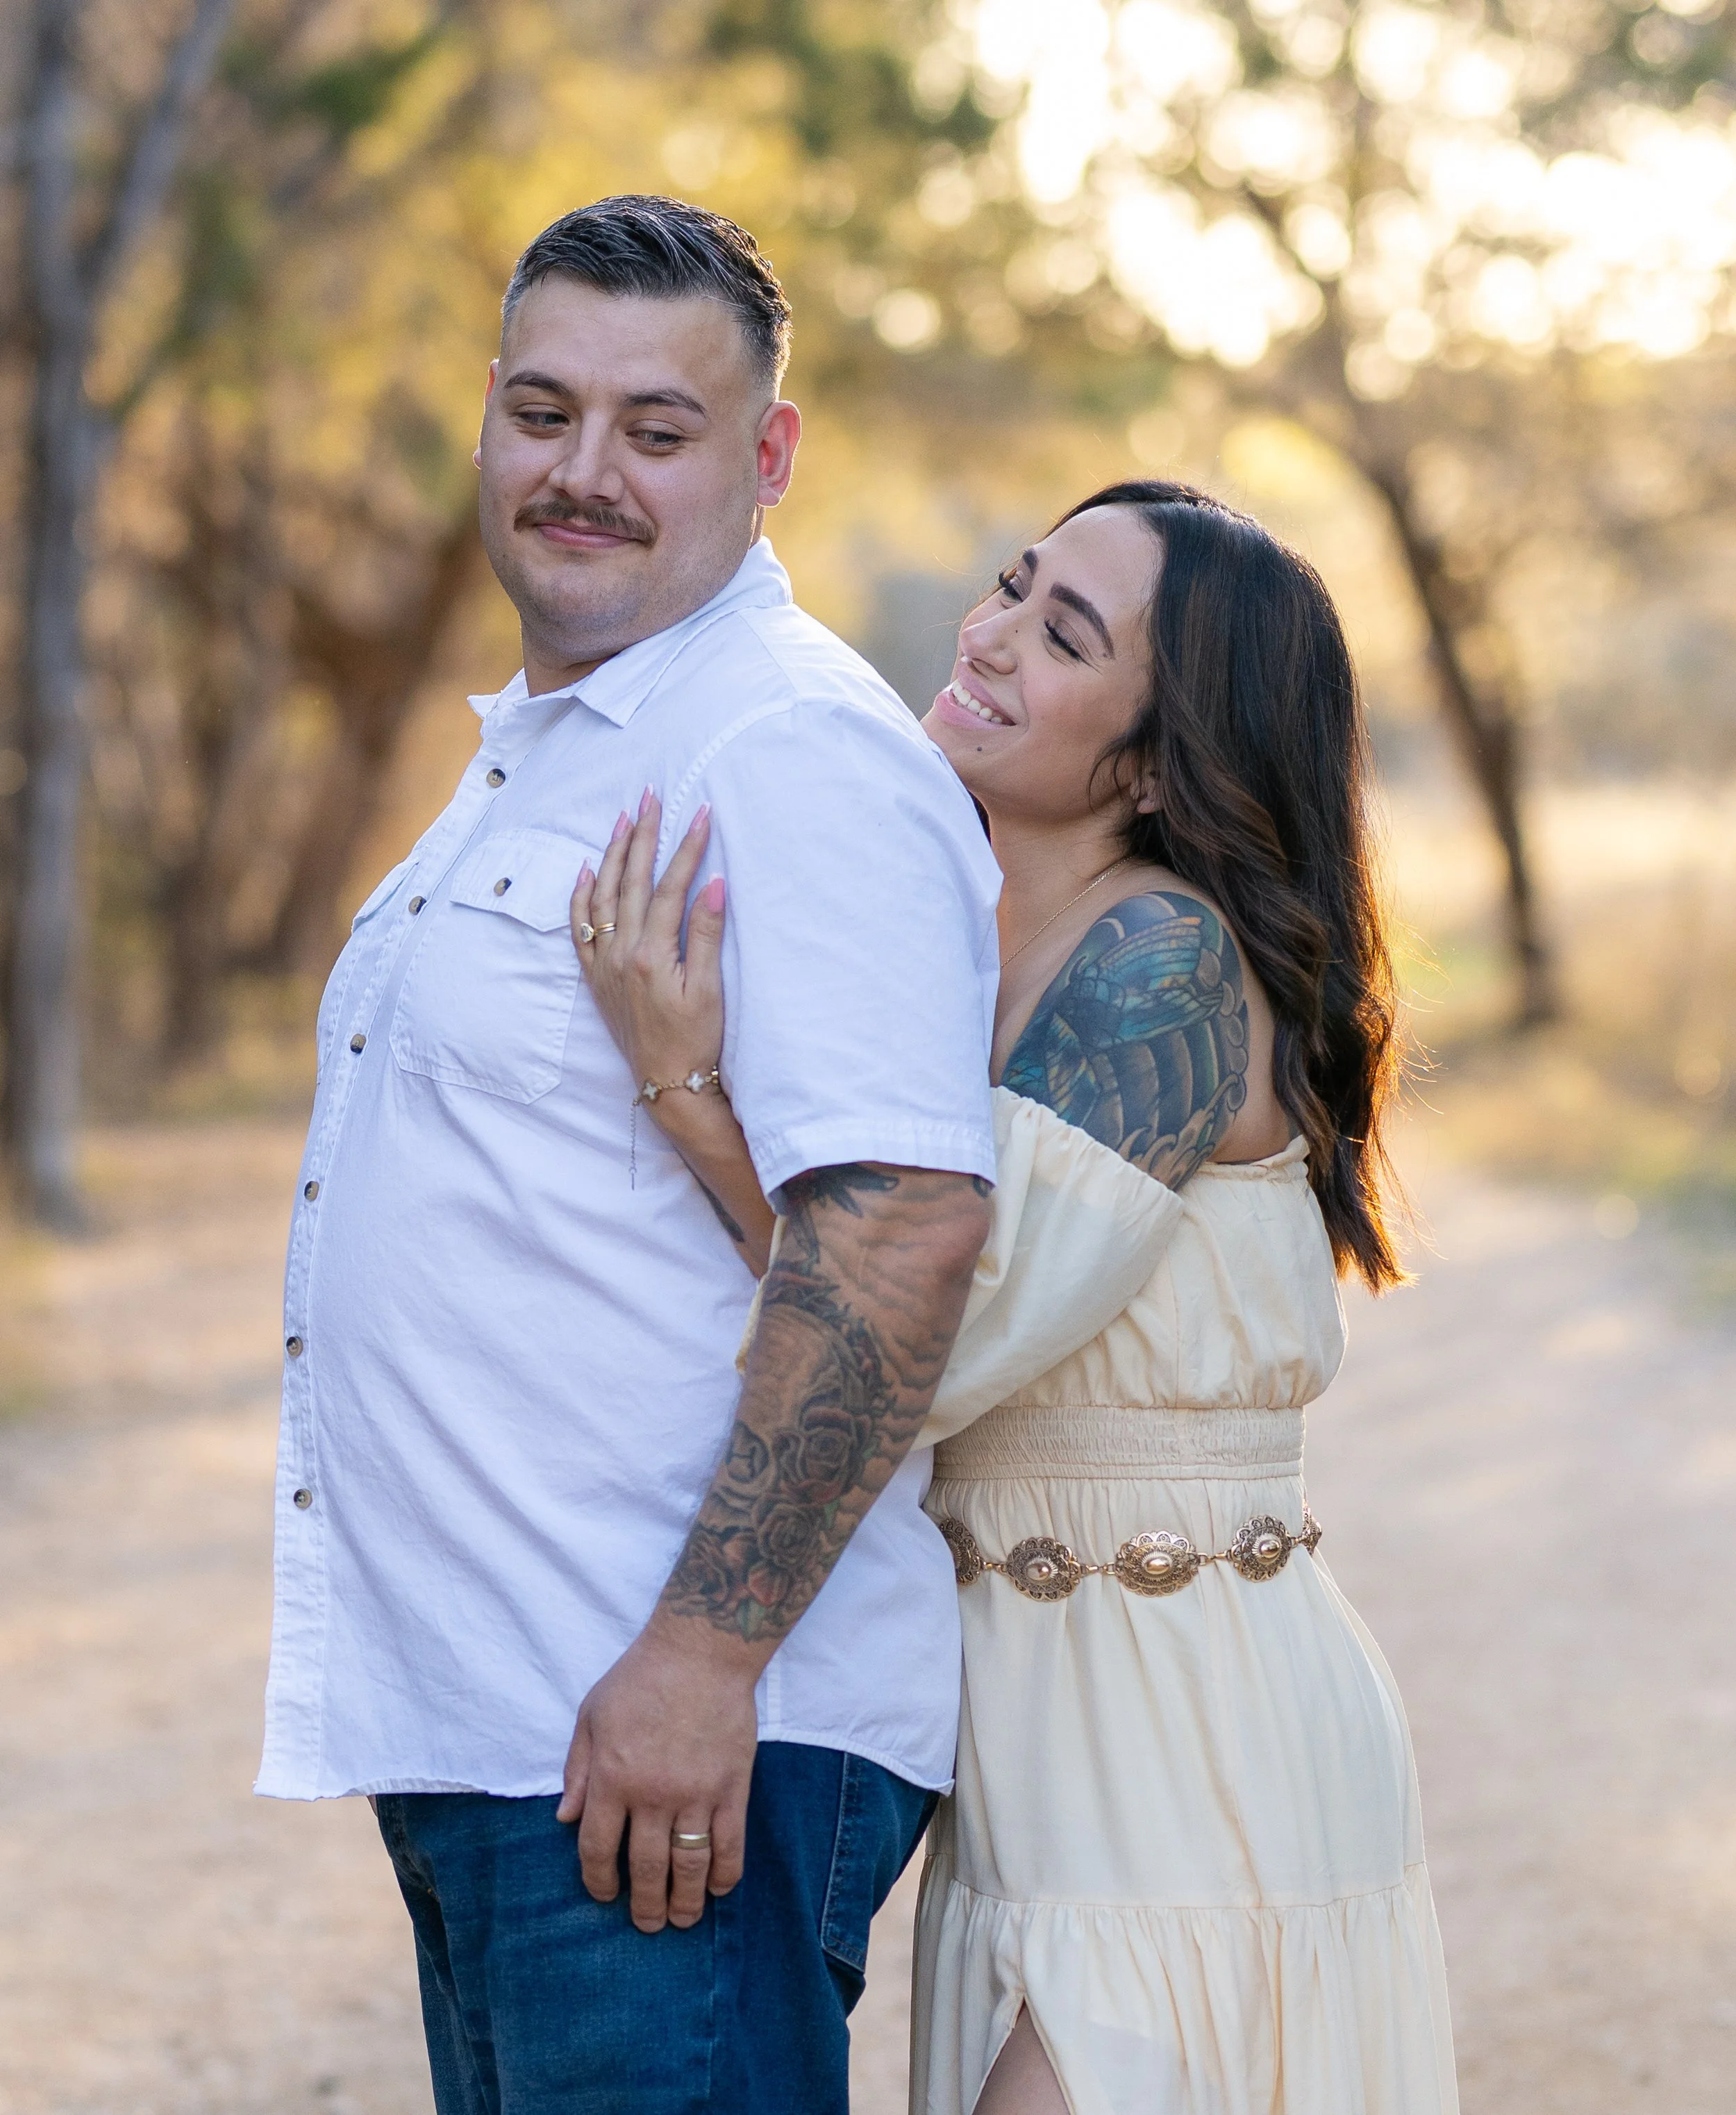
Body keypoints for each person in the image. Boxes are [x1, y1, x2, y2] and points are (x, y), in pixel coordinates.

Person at [256, 193, 1042, 2114]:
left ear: (763, 458)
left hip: (677, 1745)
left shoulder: (786, 750)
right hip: (513, 1728)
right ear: (486, 424)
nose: (581, 471)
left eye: (654, 429)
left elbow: (901, 1233)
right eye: (542, 411)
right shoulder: (564, 736)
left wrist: (702, 1655)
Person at [574, 482, 1460, 2114]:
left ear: (1154, 753)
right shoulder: (963, 944)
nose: (984, 636)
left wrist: (684, 1084)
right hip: (1033, 1741)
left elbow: (930, 1330)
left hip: (1194, 1733)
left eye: (1061, 636)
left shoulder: (1159, 963)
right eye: (1011, 586)